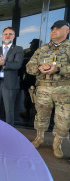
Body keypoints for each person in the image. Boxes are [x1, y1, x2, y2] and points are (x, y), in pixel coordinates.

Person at [26, 20, 70, 158]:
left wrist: (58, 69)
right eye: (52, 29)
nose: (53, 31)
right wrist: (39, 68)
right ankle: (39, 138)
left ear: (67, 31)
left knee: (64, 120)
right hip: (43, 90)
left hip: (64, 91)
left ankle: (57, 144)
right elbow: (29, 67)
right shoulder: (42, 49)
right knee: (41, 117)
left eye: (57, 29)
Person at [0, 27, 23, 126]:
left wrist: (4, 63)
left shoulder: (18, 49)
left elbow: (18, 65)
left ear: (14, 36)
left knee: (9, 109)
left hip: (10, 84)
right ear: (2, 36)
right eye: (5, 34)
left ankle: (9, 130)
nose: (7, 36)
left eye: (10, 34)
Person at [19, 39, 39, 118]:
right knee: (27, 96)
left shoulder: (37, 54)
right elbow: (22, 67)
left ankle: (31, 113)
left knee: (31, 97)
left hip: (35, 79)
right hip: (28, 79)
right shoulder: (29, 54)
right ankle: (28, 112)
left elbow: (22, 67)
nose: (30, 46)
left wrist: (20, 76)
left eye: (32, 44)